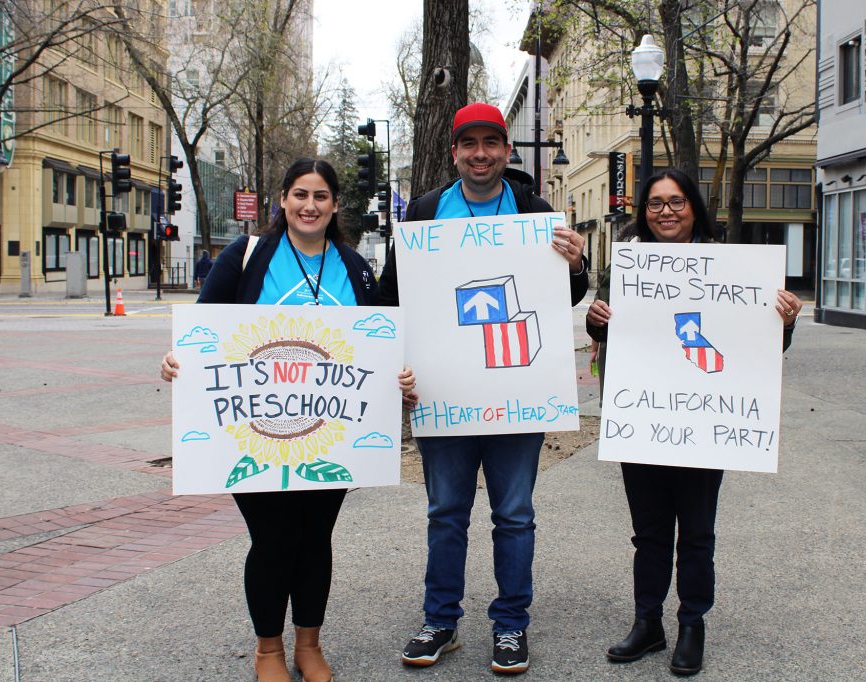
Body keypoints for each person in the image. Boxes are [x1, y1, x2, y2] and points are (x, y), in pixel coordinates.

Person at [160, 158, 417, 682]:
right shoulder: (246, 256)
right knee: (274, 539)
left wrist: (400, 380)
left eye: (321, 196)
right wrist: (175, 363)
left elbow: (378, 348)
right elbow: (203, 333)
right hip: (253, 431)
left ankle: (309, 644)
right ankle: (268, 650)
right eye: (300, 194)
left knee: (315, 538)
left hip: (330, 431)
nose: (309, 205)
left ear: (335, 204)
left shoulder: (353, 266)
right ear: (282, 199)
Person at [378, 102, 589, 675]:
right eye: (468, 144)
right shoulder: (424, 213)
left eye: (490, 143)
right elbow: (392, 298)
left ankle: (511, 625)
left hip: (515, 392)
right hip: (444, 393)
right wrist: (389, 365)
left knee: (514, 513)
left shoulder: (533, 210)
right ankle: (440, 620)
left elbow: (567, 294)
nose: (480, 154)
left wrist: (575, 265)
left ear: (505, 150)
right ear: (454, 152)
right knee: (446, 511)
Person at [585, 169, 801, 677]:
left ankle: (692, 624)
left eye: (676, 201)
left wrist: (783, 323)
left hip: (704, 422)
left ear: (694, 207)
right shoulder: (628, 266)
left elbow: (759, 351)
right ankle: (648, 622)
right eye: (656, 203)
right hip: (647, 419)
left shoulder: (734, 267)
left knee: (698, 532)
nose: (666, 211)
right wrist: (597, 322)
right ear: (644, 211)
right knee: (649, 532)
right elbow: (617, 339)